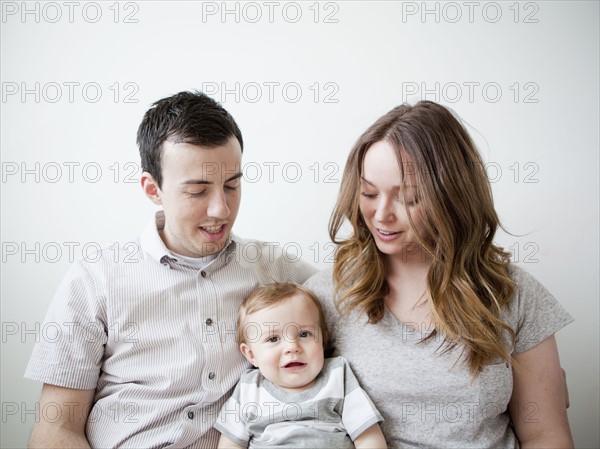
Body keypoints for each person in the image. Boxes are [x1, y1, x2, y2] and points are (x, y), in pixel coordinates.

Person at [24, 91, 317, 448]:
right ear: (153, 189)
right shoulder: (95, 279)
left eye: (232, 186)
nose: (221, 210)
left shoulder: (274, 269)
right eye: (197, 191)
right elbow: (56, 429)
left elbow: (360, 292)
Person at [304, 101, 574, 448]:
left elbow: (546, 435)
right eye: (369, 193)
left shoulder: (514, 293)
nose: (381, 214)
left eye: (410, 199)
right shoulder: (327, 295)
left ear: (451, 196)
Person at [214, 283, 387, 449]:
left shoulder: (336, 375)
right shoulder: (249, 389)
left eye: (304, 334)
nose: (292, 347)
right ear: (251, 355)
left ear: (323, 339)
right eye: (273, 339)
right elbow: (231, 444)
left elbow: (367, 436)